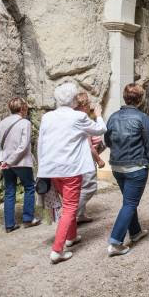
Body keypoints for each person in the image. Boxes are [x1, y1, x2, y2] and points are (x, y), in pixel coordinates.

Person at [38, 83, 106, 264]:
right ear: (74, 99)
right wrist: (99, 116)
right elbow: (100, 130)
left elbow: (41, 143)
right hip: (71, 170)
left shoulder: (47, 117)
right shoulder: (78, 116)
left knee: (66, 204)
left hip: (52, 168)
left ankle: (71, 237)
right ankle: (57, 250)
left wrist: (41, 168)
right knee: (69, 207)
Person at [105, 83, 149, 257]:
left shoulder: (113, 117)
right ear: (140, 99)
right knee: (130, 203)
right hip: (136, 168)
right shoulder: (142, 118)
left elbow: (108, 141)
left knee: (129, 201)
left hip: (116, 166)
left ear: (125, 97)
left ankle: (136, 232)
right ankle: (115, 242)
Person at [0, 97, 41, 233]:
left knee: (9, 191)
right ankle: (28, 219)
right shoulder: (25, 123)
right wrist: (10, 160)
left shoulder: (2, 123)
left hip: (6, 164)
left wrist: (1, 160)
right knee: (30, 187)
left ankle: (9, 225)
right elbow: (24, 146)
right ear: (22, 108)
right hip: (21, 162)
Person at [74, 92, 106, 224]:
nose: (90, 105)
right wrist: (99, 160)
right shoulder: (81, 119)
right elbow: (89, 146)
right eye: (88, 103)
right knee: (90, 187)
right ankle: (70, 212)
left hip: (81, 160)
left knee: (81, 187)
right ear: (84, 105)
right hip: (86, 159)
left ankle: (80, 215)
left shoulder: (81, 118)